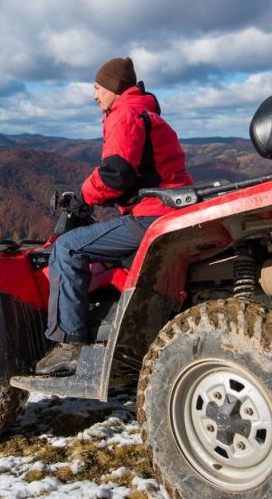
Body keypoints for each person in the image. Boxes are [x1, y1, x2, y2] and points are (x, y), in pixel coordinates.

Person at [36, 57, 193, 375]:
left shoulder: (125, 112)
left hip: (151, 217)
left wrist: (82, 196)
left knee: (67, 247)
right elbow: (137, 177)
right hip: (169, 212)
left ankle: (69, 346)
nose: (94, 95)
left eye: (97, 87)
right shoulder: (148, 114)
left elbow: (116, 173)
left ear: (112, 87)